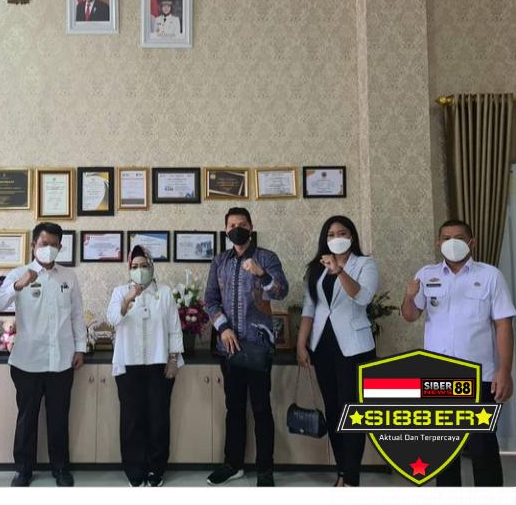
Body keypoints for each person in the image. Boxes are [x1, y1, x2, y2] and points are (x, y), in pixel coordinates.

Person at [401, 219, 515, 486]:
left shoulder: (490, 276)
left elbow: (503, 325)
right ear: (438, 243)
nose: (452, 243)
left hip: (480, 376)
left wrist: (504, 371)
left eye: (459, 238)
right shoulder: (426, 274)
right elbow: (410, 315)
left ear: (471, 242)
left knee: (483, 449)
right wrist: (408, 296)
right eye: (446, 238)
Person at [0, 222, 86, 487]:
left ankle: (61, 468)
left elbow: (77, 315)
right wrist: (18, 285)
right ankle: (23, 469)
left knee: (59, 418)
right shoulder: (18, 273)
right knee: (27, 418)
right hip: (27, 361)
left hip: (62, 361)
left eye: (54, 245)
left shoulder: (68, 277)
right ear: (34, 245)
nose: (49, 248)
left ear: (60, 247)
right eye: (44, 244)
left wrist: (80, 347)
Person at [204, 207, 289, 487]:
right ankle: (233, 464)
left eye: (241, 224)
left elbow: (282, 291)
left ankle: (265, 469)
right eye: (231, 225)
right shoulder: (220, 261)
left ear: (250, 227)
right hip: (229, 348)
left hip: (258, 347)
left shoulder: (267, 257)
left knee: (262, 409)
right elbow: (210, 300)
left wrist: (261, 273)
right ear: (225, 230)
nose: (236, 228)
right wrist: (223, 328)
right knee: (234, 408)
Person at [296, 216, 378, 487]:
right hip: (323, 346)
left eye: (342, 233)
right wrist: (301, 344)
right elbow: (310, 308)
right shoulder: (317, 267)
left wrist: (339, 271)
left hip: (355, 348)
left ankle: (352, 478)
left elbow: (363, 297)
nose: (336, 238)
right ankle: (342, 469)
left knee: (352, 410)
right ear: (325, 239)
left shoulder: (365, 264)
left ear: (351, 236)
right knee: (333, 409)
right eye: (331, 234)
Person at [106, 245, 184, 487]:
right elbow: (112, 319)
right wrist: (128, 299)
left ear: (151, 267)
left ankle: (156, 469)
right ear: (129, 269)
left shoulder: (165, 293)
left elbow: (174, 328)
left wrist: (173, 359)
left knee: (158, 419)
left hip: (159, 365)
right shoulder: (120, 292)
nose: (139, 270)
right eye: (134, 266)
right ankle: (134, 469)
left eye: (143, 265)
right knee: (132, 420)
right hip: (128, 365)